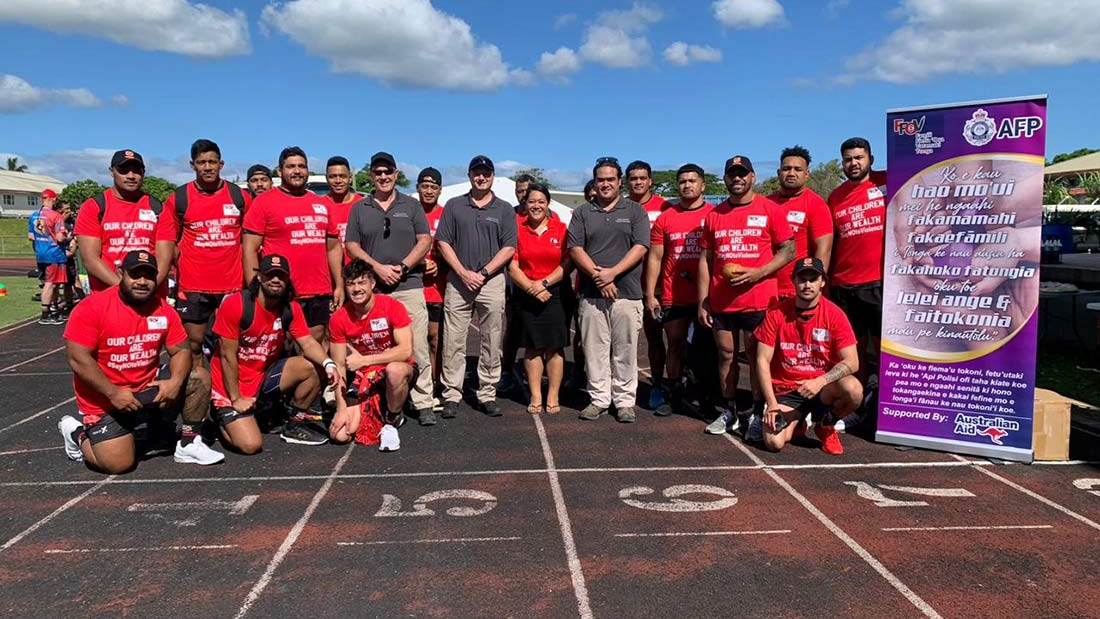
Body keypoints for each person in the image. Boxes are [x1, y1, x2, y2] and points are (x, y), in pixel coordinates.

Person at [57, 250, 219, 473]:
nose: (142, 282)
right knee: (118, 464)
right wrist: (113, 393)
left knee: (198, 377)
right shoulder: (92, 307)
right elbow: (78, 359)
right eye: (135, 275)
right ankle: (76, 433)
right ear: (120, 273)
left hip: (146, 388)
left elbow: (181, 351)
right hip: (106, 398)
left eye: (149, 276)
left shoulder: (163, 309)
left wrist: (174, 382)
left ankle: (188, 442)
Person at [698, 155, 794, 435]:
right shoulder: (714, 215)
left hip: (759, 300)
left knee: (755, 357)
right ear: (725, 178)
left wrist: (759, 273)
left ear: (752, 177)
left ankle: (754, 411)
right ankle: (730, 411)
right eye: (732, 174)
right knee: (726, 355)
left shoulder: (770, 209)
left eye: (742, 174)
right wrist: (703, 299)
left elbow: (789, 251)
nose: (737, 178)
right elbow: (706, 259)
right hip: (722, 301)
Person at [342, 152, 436, 425]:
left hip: (409, 284)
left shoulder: (412, 205)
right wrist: (377, 269)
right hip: (374, 288)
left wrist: (404, 267)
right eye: (378, 172)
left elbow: (424, 240)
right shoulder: (361, 208)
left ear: (396, 174)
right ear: (371, 176)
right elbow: (352, 245)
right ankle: (380, 399)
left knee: (416, 345)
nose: (383, 177)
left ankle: (423, 401)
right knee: (377, 344)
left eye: (388, 172)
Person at [208, 255, 338, 451]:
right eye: (270, 275)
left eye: (281, 276)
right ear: (259, 277)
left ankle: (294, 425)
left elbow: (308, 342)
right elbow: (227, 356)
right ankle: (221, 418)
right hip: (231, 383)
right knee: (250, 445)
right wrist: (235, 398)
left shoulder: (290, 308)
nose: (275, 280)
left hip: (262, 375)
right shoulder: (237, 304)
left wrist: (329, 364)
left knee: (314, 365)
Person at [568, 157, 650, 423]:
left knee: (625, 349)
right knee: (594, 349)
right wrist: (598, 276)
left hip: (627, 293)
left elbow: (640, 248)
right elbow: (575, 249)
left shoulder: (635, 211)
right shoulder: (582, 212)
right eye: (600, 179)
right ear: (594, 182)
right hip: (592, 294)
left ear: (619, 182)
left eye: (610, 179)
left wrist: (612, 273)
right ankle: (599, 399)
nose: (605, 184)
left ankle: (625, 401)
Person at [435, 155, 518, 419]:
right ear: (469, 175)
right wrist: (462, 272)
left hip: (491, 281)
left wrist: (483, 273)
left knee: (491, 339)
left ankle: (487, 392)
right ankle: (451, 394)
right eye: (476, 173)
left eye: (486, 173)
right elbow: (443, 243)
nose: (481, 177)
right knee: (453, 340)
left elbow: (508, 247)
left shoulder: (504, 208)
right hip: (459, 282)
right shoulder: (454, 205)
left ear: (492, 175)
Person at [754, 258, 863, 455]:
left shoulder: (835, 314)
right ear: (793, 281)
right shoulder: (776, 313)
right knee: (773, 443)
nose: (807, 285)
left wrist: (819, 381)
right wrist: (771, 404)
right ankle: (797, 422)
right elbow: (762, 360)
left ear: (822, 282)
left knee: (854, 390)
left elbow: (853, 362)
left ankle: (826, 425)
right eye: (802, 279)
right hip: (786, 390)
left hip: (822, 388)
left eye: (813, 279)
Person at [156, 139, 252, 362]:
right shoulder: (179, 198)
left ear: (221, 164)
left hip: (233, 284)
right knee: (194, 344)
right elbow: (169, 241)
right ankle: (202, 393)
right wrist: (185, 263)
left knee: (232, 344)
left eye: (212, 162)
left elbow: (250, 239)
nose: (207, 167)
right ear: (192, 165)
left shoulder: (239, 196)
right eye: (201, 162)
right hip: (193, 286)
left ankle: (229, 394)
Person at [243, 147, 333, 343]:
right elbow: (249, 248)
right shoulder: (264, 203)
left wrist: (339, 285)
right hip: (281, 289)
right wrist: (254, 288)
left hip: (318, 290)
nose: (297, 171)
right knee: (281, 346)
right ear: (279, 171)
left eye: (302, 166)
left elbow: (333, 248)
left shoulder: (321, 204)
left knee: (316, 344)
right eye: (291, 166)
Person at [644, 164, 714, 417]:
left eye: (692, 181)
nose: (687, 185)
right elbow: (654, 258)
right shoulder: (666, 217)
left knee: (706, 349)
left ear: (702, 185)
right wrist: (652, 294)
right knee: (674, 344)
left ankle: (705, 397)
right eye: (682, 181)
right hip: (674, 294)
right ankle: (672, 396)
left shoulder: (715, 214)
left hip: (705, 295)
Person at [328, 260, 416, 452]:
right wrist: (341, 409)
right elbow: (339, 366)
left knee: (395, 370)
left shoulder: (392, 306)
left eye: (362, 283)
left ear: (373, 284)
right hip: (362, 376)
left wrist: (365, 360)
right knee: (340, 435)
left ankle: (392, 419)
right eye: (351, 284)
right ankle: (368, 405)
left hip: (395, 369)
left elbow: (405, 351)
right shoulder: (338, 318)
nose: (357, 289)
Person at [827, 137, 888, 391]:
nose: (853, 163)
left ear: (870, 160)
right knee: (854, 348)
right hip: (845, 284)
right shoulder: (835, 197)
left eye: (858, 158)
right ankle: (860, 398)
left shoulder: (888, 181)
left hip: (880, 281)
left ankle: (885, 399)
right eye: (848, 159)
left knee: (885, 346)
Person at [509, 183, 571, 414]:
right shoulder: (517, 229)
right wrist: (532, 287)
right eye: (532, 201)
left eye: (541, 202)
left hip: (555, 293)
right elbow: (513, 266)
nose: (536, 206)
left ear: (548, 204)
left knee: (555, 348)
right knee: (533, 348)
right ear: (525, 204)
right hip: (527, 293)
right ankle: (536, 396)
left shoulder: (561, 228)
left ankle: (553, 396)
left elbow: (568, 262)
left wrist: (544, 284)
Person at [75, 149, 168, 292]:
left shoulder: (158, 208)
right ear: (112, 172)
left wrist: (145, 289)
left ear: (143, 172)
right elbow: (91, 260)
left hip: (150, 296)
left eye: (136, 170)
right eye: (123, 170)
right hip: (108, 294)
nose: (131, 176)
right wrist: (124, 288)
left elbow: (164, 260)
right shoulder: (94, 207)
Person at [626, 160, 672, 410]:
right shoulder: (620, 207)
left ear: (650, 180)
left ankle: (658, 384)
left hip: (659, 287)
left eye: (642, 177)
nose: (638, 182)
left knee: (660, 339)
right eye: (633, 178)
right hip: (628, 286)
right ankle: (621, 386)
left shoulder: (665, 208)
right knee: (623, 340)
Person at [768, 146, 833, 300]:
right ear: (778, 173)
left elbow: (823, 251)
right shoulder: (767, 203)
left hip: (797, 292)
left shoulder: (816, 204)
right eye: (786, 169)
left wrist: (815, 288)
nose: (791, 173)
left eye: (797, 169)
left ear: (806, 174)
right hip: (767, 290)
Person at [416, 167, 447, 411]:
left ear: (439, 190)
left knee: (435, 340)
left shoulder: (445, 215)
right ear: (417, 188)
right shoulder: (407, 211)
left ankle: (435, 387)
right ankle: (416, 387)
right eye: (424, 186)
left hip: (438, 289)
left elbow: (455, 247)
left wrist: (440, 263)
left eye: (433, 187)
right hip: (411, 287)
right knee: (412, 341)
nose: (428, 190)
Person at [31, 189, 69, 324]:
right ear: (53, 199)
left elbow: (31, 236)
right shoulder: (56, 216)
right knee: (51, 283)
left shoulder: (34, 215)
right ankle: (46, 313)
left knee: (50, 283)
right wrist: (67, 238)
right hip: (54, 253)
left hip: (40, 253)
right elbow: (59, 237)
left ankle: (55, 310)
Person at [323, 155, 360, 267]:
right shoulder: (319, 206)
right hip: (330, 275)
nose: (338, 181)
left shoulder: (363, 205)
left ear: (350, 177)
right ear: (326, 178)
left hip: (359, 275)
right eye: (333, 176)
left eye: (342, 176)